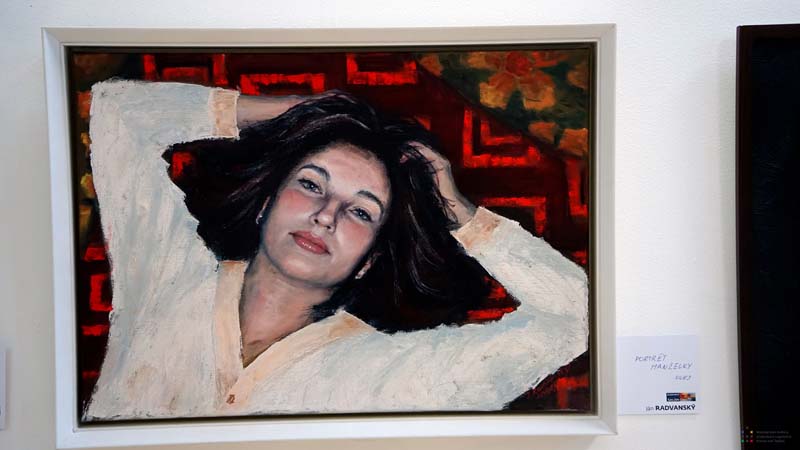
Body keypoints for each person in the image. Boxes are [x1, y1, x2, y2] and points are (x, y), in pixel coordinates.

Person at [84, 79, 589, 420]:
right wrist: (292, 112)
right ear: (265, 205)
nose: (326, 215)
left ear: (369, 259)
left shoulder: (397, 373)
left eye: (361, 212)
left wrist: (461, 212)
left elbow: (578, 318)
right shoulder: (167, 271)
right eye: (311, 184)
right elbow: (118, 112)